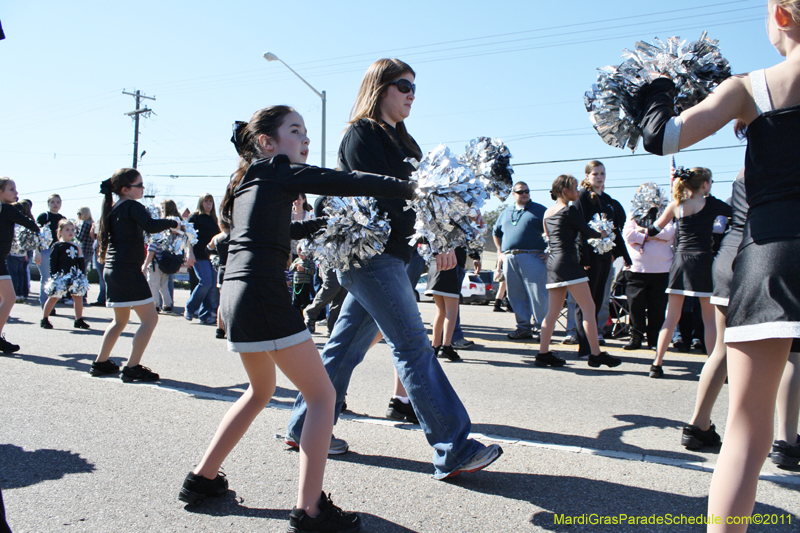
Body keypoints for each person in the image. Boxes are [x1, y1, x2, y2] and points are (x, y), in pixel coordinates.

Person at [179, 105, 417, 532]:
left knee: (259, 391)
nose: (305, 138)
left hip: (237, 296)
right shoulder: (276, 169)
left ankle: (201, 480)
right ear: (267, 142)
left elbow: (266, 234)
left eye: (306, 131)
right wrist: (409, 187)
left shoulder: (251, 181)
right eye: (295, 130)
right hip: (265, 296)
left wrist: (320, 226)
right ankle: (310, 512)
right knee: (322, 398)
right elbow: (345, 180)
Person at [286, 58, 502, 480]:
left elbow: (423, 206)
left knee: (344, 348)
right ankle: (452, 446)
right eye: (403, 85)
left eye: (414, 88)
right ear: (380, 87)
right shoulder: (361, 134)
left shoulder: (410, 144)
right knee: (412, 345)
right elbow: (378, 196)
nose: (411, 94)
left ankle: (302, 427)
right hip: (369, 257)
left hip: (399, 257)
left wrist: (443, 236)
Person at [637, 1, 800, 526]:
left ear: (781, 14)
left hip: (775, 253)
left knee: (747, 437)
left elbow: (661, 138)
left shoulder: (751, 87)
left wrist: (660, 88)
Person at [89, 169, 182, 382]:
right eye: (139, 185)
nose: (143, 188)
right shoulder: (132, 206)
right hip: (127, 270)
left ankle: (100, 363)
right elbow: (150, 225)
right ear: (125, 189)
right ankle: (132, 367)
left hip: (112, 270)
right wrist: (173, 223)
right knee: (150, 319)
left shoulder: (113, 209)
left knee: (120, 321)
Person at [644, 167, 731, 378]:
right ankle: (713, 367)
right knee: (709, 319)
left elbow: (653, 229)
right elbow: (736, 215)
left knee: (671, 317)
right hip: (703, 261)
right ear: (705, 184)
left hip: (680, 262)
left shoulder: (677, 205)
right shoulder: (712, 204)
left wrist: (644, 228)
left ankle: (656, 364)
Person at [538, 174, 618, 368]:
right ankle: (596, 354)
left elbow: (548, 238)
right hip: (569, 263)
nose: (577, 191)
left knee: (552, 312)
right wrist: (604, 233)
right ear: (565, 191)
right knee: (589, 308)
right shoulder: (570, 210)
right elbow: (586, 231)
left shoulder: (547, 213)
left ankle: (543, 354)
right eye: (574, 188)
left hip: (553, 263)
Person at [574, 161, 631, 357]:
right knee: (586, 303)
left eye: (602, 173)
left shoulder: (608, 200)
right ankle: (584, 345)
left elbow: (615, 230)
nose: (599, 177)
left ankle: (592, 341)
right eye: (596, 174)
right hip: (589, 257)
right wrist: (584, 258)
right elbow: (580, 229)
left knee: (598, 300)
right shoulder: (581, 197)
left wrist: (624, 254)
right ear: (588, 176)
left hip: (605, 256)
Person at [493, 181, 549, 340]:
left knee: (538, 295)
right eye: (520, 192)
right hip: (510, 257)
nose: (524, 194)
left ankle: (542, 329)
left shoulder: (540, 210)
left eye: (526, 191)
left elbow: (554, 230)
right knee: (515, 295)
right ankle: (523, 328)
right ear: (513, 194)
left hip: (533, 256)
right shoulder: (505, 212)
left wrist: (549, 251)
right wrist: (499, 252)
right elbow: (496, 232)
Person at [622, 183, 675, 350]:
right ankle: (636, 337)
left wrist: (643, 233)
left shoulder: (665, 212)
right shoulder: (634, 213)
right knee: (635, 304)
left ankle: (654, 340)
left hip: (661, 269)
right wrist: (652, 235)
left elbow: (669, 233)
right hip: (637, 269)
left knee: (657, 306)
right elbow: (628, 235)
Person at [0, 178, 41, 353]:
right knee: (9, 298)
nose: (16, 192)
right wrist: (43, 234)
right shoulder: (8, 209)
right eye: (11, 189)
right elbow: (31, 225)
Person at [39, 219, 90, 330]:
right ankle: (44, 319)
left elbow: (80, 263)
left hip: (73, 276)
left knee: (78, 297)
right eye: (67, 230)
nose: (70, 232)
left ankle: (78, 319)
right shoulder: (58, 246)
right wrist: (54, 276)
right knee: (53, 297)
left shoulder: (76, 246)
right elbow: (53, 262)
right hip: (61, 276)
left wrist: (80, 253)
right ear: (60, 232)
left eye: (72, 230)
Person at [184, 193, 219, 324]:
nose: (208, 204)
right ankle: (190, 308)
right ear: (201, 202)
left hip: (212, 257)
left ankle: (205, 314)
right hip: (198, 255)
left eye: (210, 201)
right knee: (205, 282)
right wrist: (189, 253)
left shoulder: (215, 219)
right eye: (206, 201)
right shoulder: (195, 217)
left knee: (212, 285)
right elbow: (188, 237)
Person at [36, 194, 65, 310]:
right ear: (48, 203)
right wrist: (37, 251)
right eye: (52, 202)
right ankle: (45, 305)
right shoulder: (44, 216)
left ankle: (52, 303)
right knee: (46, 277)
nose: (55, 204)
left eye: (58, 202)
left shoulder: (62, 218)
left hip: (58, 251)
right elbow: (36, 234)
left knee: (56, 278)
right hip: (45, 250)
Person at [7, 201, 35, 303]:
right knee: (22, 274)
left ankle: (17, 294)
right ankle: (23, 293)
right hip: (23, 253)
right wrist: (27, 253)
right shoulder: (25, 223)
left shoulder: (12, 224)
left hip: (13, 253)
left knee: (14, 274)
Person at [207, 218, 230, 339]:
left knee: (222, 301)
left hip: (222, 270)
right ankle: (230, 327)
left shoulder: (217, 238)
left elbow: (209, 248)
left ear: (220, 224)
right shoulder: (235, 237)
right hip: (232, 268)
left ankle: (219, 329)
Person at [289, 244, 315, 314]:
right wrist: (294, 266)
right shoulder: (297, 260)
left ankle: (305, 316)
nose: (301, 256)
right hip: (296, 284)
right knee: (296, 302)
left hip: (305, 285)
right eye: (299, 254)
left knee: (305, 303)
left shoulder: (309, 261)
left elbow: (312, 271)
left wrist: (303, 269)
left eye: (303, 254)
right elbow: (290, 269)